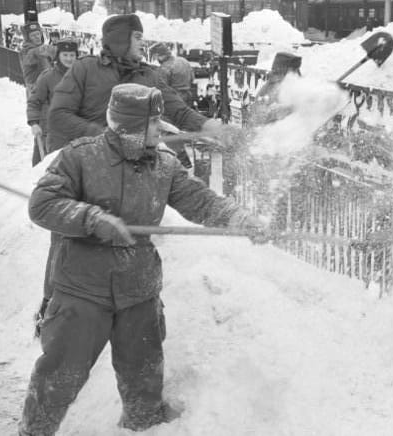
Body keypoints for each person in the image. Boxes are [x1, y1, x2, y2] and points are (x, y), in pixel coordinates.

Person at [19, 83, 267, 435]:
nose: (159, 128)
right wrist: (92, 219)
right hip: (83, 289)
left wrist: (237, 218)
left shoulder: (163, 165)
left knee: (143, 377)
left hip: (139, 289)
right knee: (59, 375)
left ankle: (144, 425)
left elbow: (200, 200)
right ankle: (35, 430)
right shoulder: (80, 157)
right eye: (153, 123)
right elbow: (42, 205)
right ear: (129, 126)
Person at [46, 14, 226, 157]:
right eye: (137, 37)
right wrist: (105, 135)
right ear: (120, 40)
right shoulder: (85, 68)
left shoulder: (148, 76)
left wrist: (209, 125)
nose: (142, 43)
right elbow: (58, 115)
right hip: (85, 165)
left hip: (132, 168)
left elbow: (179, 110)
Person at [27, 39, 78, 166]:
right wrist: (34, 123)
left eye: (72, 55)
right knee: (47, 166)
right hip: (52, 131)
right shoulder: (48, 77)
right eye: (65, 55)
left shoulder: (82, 76)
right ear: (58, 56)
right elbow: (34, 101)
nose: (69, 59)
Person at [19, 22, 56, 97]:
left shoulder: (42, 49)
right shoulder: (25, 51)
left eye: (38, 34)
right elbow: (30, 57)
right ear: (28, 38)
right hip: (35, 90)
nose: (37, 37)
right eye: (33, 35)